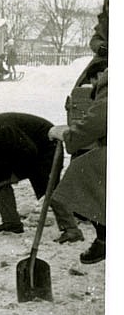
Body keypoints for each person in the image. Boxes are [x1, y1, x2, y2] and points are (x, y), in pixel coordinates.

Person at [48, 69, 107, 261]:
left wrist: (68, 136)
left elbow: (98, 119)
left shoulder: (109, 82)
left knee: (80, 171)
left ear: (96, 77)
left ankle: (104, 238)